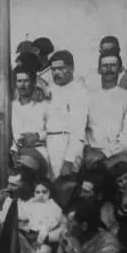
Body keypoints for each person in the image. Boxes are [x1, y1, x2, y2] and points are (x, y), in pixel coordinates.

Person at [85, 52, 127, 170]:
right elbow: (82, 128)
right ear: (99, 70)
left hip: (118, 158)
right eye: (105, 66)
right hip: (92, 158)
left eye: (113, 65)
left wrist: (105, 153)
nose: (109, 69)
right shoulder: (88, 97)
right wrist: (87, 150)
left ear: (120, 69)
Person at [41, 50, 88, 178]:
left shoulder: (80, 92)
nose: (56, 73)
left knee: (64, 188)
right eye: (53, 69)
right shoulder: (50, 90)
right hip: (48, 144)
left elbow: (78, 132)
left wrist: (69, 161)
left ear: (71, 68)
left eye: (61, 68)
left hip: (66, 145)